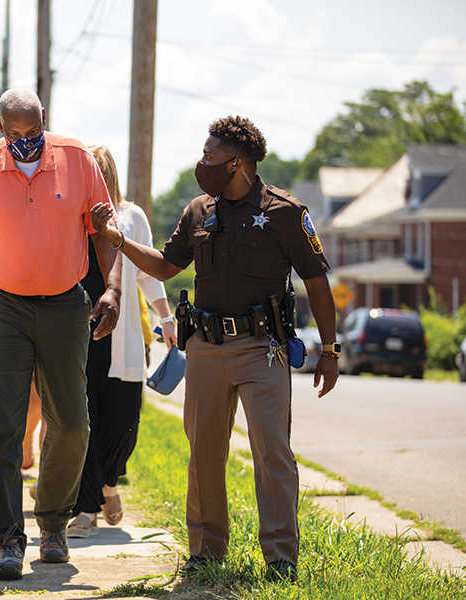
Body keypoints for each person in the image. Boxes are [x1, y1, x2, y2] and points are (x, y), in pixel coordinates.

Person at [90, 116, 340, 582]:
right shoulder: (198, 210)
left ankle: (281, 557)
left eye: (210, 157)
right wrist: (118, 240)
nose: (201, 163)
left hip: (262, 350)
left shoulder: (286, 212)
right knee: (204, 452)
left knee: (272, 452)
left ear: (238, 163)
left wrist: (330, 348)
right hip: (204, 348)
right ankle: (206, 549)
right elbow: (166, 267)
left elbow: (316, 281)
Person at [0, 88, 122, 581]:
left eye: (34, 131)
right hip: (0, 304)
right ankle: (6, 538)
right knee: (3, 422)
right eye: (16, 132)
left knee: (71, 421)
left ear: (44, 120)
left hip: (66, 301)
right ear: (0, 126)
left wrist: (110, 289)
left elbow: (101, 228)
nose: (26, 141)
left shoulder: (77, 159)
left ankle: (52, 524)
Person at [66, 145, 178, 538]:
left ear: (109, 175)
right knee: (82, 421)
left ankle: (109, 484)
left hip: (124, 334)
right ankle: (85, 509)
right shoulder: (67, 215)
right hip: (77, 334)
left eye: (98, 171)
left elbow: (149, 272)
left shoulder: (131, 217)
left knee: (123, 421)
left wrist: (166, 318)